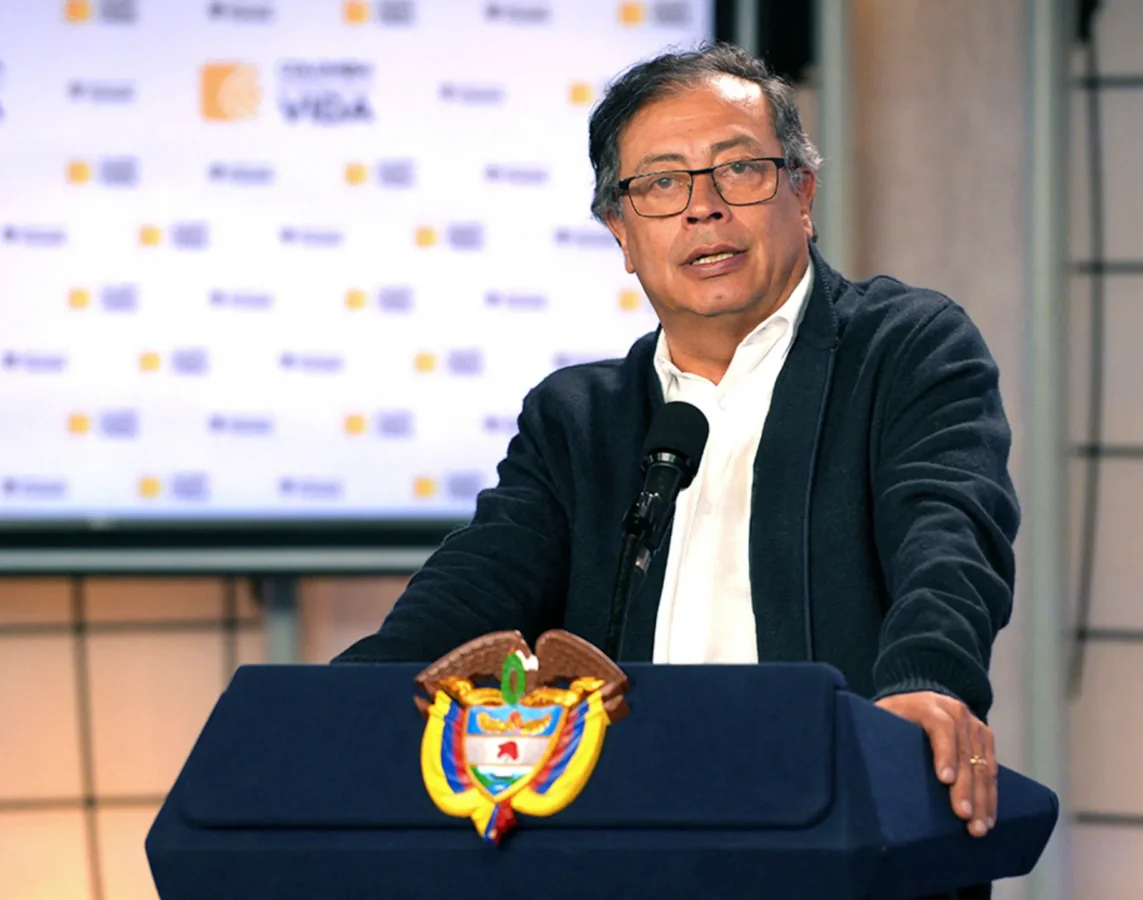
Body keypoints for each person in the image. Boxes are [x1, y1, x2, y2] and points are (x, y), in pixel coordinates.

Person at [336, 43, 1017, 893]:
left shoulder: (903, 349)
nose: (703, 208)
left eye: (740, 169)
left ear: (803, 195)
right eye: (661, 183)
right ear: (622, 234)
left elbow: (950, 539)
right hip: (620, 856)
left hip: (838, 836)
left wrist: (925, 683)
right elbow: (470, 592)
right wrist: (334, 712)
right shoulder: (578, 419)